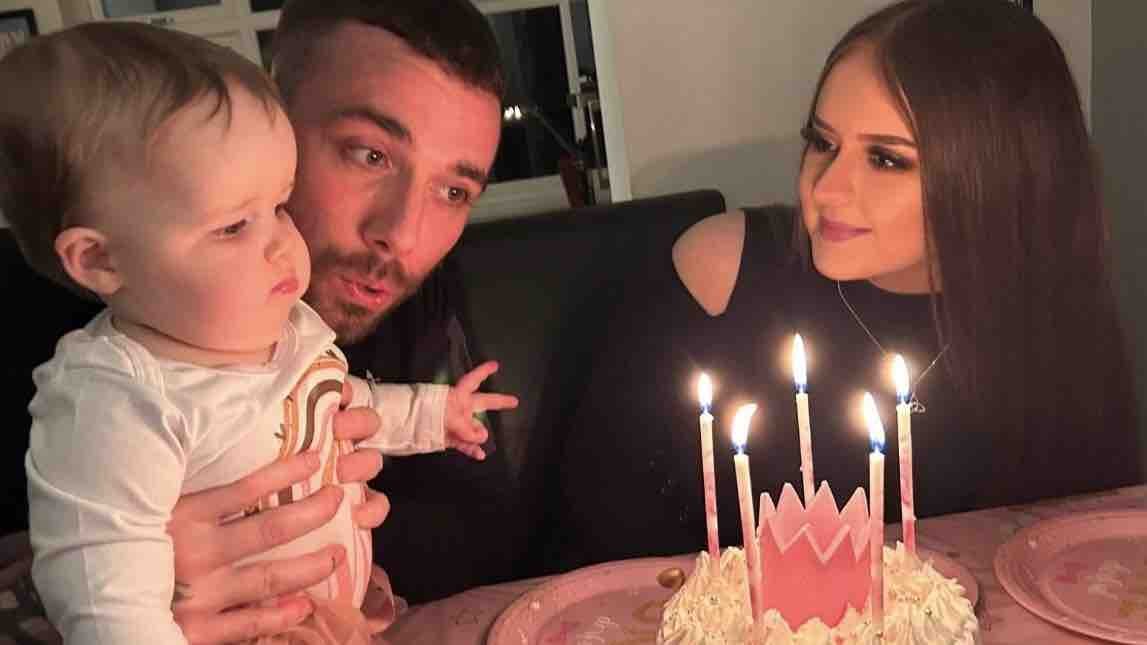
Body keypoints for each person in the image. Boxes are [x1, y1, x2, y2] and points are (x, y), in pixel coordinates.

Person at [545, 0, 1141, 573]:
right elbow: (595, 542)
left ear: (998, 177)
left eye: (885, 159)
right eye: (822, 142)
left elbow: (1092, 550)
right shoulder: (723, 271)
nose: (825, 188)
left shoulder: (1049, 318)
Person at [0, 0, 516, 641]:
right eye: (370, 154)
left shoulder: (421, 314)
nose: (402, 237)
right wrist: (87, 592)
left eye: (454, 191)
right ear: (269, 115)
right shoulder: (94, 371)